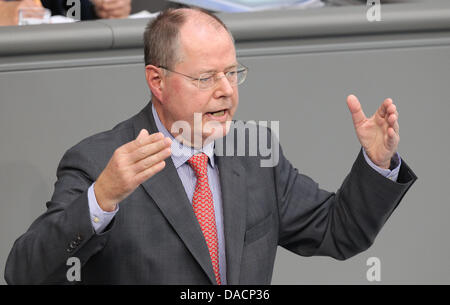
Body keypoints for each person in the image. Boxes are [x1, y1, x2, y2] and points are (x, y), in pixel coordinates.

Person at [5, 7, 417, 285]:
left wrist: (376, 163)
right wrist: (101, 200)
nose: (226, 91)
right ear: (157, 81)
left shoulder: (256, 155)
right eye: (206, 78)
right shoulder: (99, 163)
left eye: (233, 73)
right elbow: (24, 273)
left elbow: (338, 231)